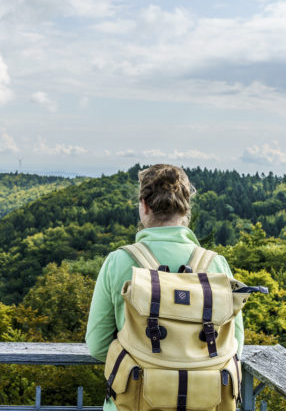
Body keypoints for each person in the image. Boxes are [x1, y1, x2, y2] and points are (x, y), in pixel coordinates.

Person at [84, 164, 244, 407]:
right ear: (186, 209)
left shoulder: (119, 261)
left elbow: (97, 345)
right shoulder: (216, 265)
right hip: (205, 402)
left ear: (144, 206)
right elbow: (235, 344)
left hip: (134, 402)